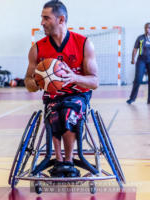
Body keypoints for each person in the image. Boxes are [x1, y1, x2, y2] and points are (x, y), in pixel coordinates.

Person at [24, 0, 98, 177]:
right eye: (42, 18)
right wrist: (36, 83)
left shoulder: (83, 43)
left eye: (46, 18)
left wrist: (73, 77)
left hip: (78, 94)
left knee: (68, 111)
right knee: (55, 112)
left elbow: (94, 81)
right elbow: (27, 80)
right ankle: (59, 161)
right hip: (53, 96)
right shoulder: (37, 48)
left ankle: (69, 160)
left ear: (61, 19)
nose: (42, 22)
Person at [127, 23, 150, 105]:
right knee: (138, 79)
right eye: (146, 28)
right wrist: (133, 59)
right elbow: (135, 49)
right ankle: (132, 98)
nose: (147, 29)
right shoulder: (140, 38)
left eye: (149, 28)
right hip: (141, 60)